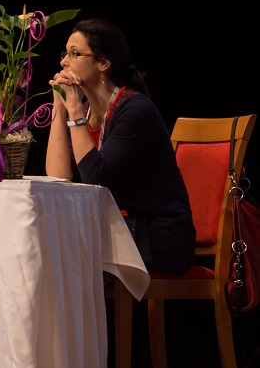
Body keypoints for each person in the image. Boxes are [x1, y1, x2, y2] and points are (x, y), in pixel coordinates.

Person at [45, 17, 195, 275]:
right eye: (64, 53)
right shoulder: (84, 113)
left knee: (66, 238)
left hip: (159, 236)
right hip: (118, 226)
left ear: (103, 63)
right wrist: (60, 109)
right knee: (53, 230)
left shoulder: (135, 109)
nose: (64, 62)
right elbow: (58, 179)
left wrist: (73, 110)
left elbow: (95, 175)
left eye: (74, 53)